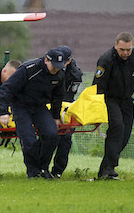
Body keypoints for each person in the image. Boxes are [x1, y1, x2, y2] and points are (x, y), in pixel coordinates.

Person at [93, 32, 134, 180]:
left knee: (125, 134)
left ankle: (105, 169)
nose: (126, 53)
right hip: (109, 99)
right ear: (116, 45)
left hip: (127, 100)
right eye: (122, 49)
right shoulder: (106, 60)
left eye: (128, 49)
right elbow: (98, 86)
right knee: (117, 127)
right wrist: (97, 109)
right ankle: (109, 168)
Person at [0, 48, 66, 179]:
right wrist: (3, 112)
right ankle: (33, 172)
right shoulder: (28, 69)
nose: (56, 69)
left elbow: (58, 97)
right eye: (54, 66)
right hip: (20, 106)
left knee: (52, 135)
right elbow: (6, 89)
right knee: (29, 140)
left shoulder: (59, 74)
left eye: (59, 67)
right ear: (46, 60)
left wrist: (55, 117)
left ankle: (43, 168)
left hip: (40, 107)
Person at [49, 45, 83, 179]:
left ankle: (57, 171)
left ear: (68, 61)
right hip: (47, 105)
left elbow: (68, 97)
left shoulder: (75, 75)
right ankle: (40, 168)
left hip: (65, 107)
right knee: (47, 138)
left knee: (65, 138)